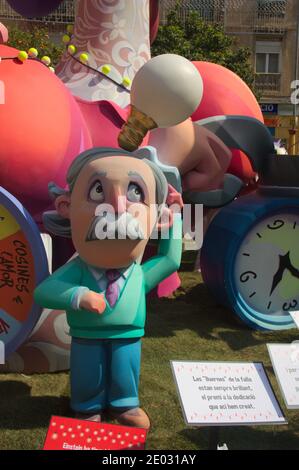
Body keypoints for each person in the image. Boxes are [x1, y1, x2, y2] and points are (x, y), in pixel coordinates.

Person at [34, 146, 183, 429]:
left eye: (135, 193)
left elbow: (169, 259)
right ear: (66, 207)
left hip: (128, 335)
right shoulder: (78, 270)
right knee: (89, 371)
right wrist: (79, 295)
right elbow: (44, 292)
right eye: (98, 191)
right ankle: (88, 405)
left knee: (125, 370)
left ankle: (124, 403)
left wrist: (177, 218)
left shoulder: (139, 274)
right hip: (86, 335)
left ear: (157, 215)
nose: (118, 207)